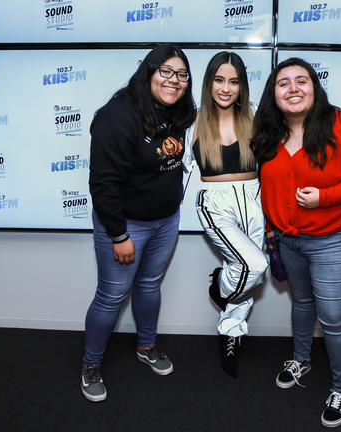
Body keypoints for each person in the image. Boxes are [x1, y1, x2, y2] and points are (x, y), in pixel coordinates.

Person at [250, 57, 341, 427]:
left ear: (314, 86)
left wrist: (325, 198)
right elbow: (270, 187)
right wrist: (272, 229)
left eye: (301, 80)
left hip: (335, 240)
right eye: (283, 83)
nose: (293, 88)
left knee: (335, 319)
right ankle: (302, 359)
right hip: (288, 241)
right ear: (273, 94)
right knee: (302, 303)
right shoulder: (270, 133)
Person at [80, 44, 196, 402]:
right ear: (148, 71)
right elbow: (102, 184)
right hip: (127, 226)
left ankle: (146, 348)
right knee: (112, 295)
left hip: (166, 220)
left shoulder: (177, 112)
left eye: (181, 75)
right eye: (165, 71)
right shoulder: (118, 116)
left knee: (149, 285)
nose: (174, 81)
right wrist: (119, 234)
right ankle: (90, 366)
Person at [184, 51, 267, 378]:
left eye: (234, 81)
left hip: (254, 198)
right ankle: (220, 286)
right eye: (219, 79)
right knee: (253, 265)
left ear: (242, 85)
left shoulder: (255, 115)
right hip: (216, 203)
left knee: (245, 267)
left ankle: (230, 332)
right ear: (209, 83)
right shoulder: (193, 120)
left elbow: (275, 164)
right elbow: (172, 172)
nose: (226, 87)